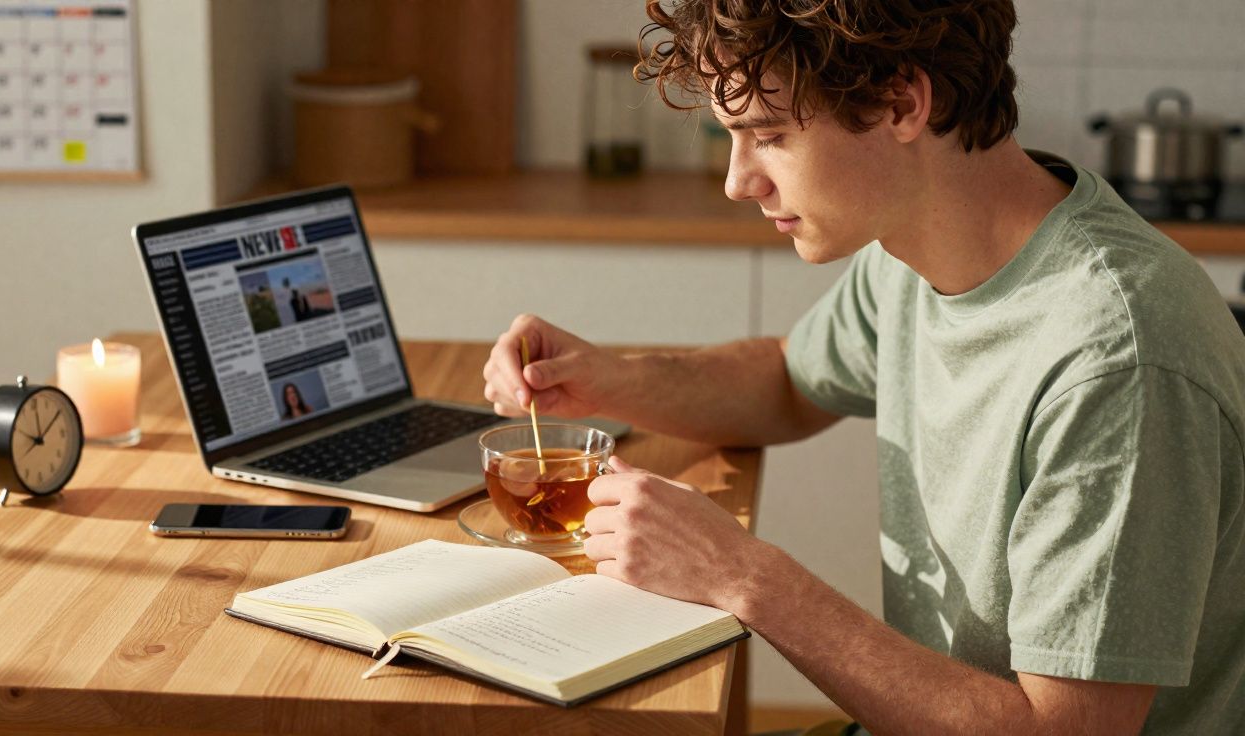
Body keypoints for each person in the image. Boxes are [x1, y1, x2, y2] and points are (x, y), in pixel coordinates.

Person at [482, 1, 1245, 733]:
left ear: (901, 103)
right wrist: (601, 376)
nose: (738, 181)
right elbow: (789, 380)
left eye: (770, 136)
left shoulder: (1117, 361)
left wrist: (740, 577)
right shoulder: (916, 247)